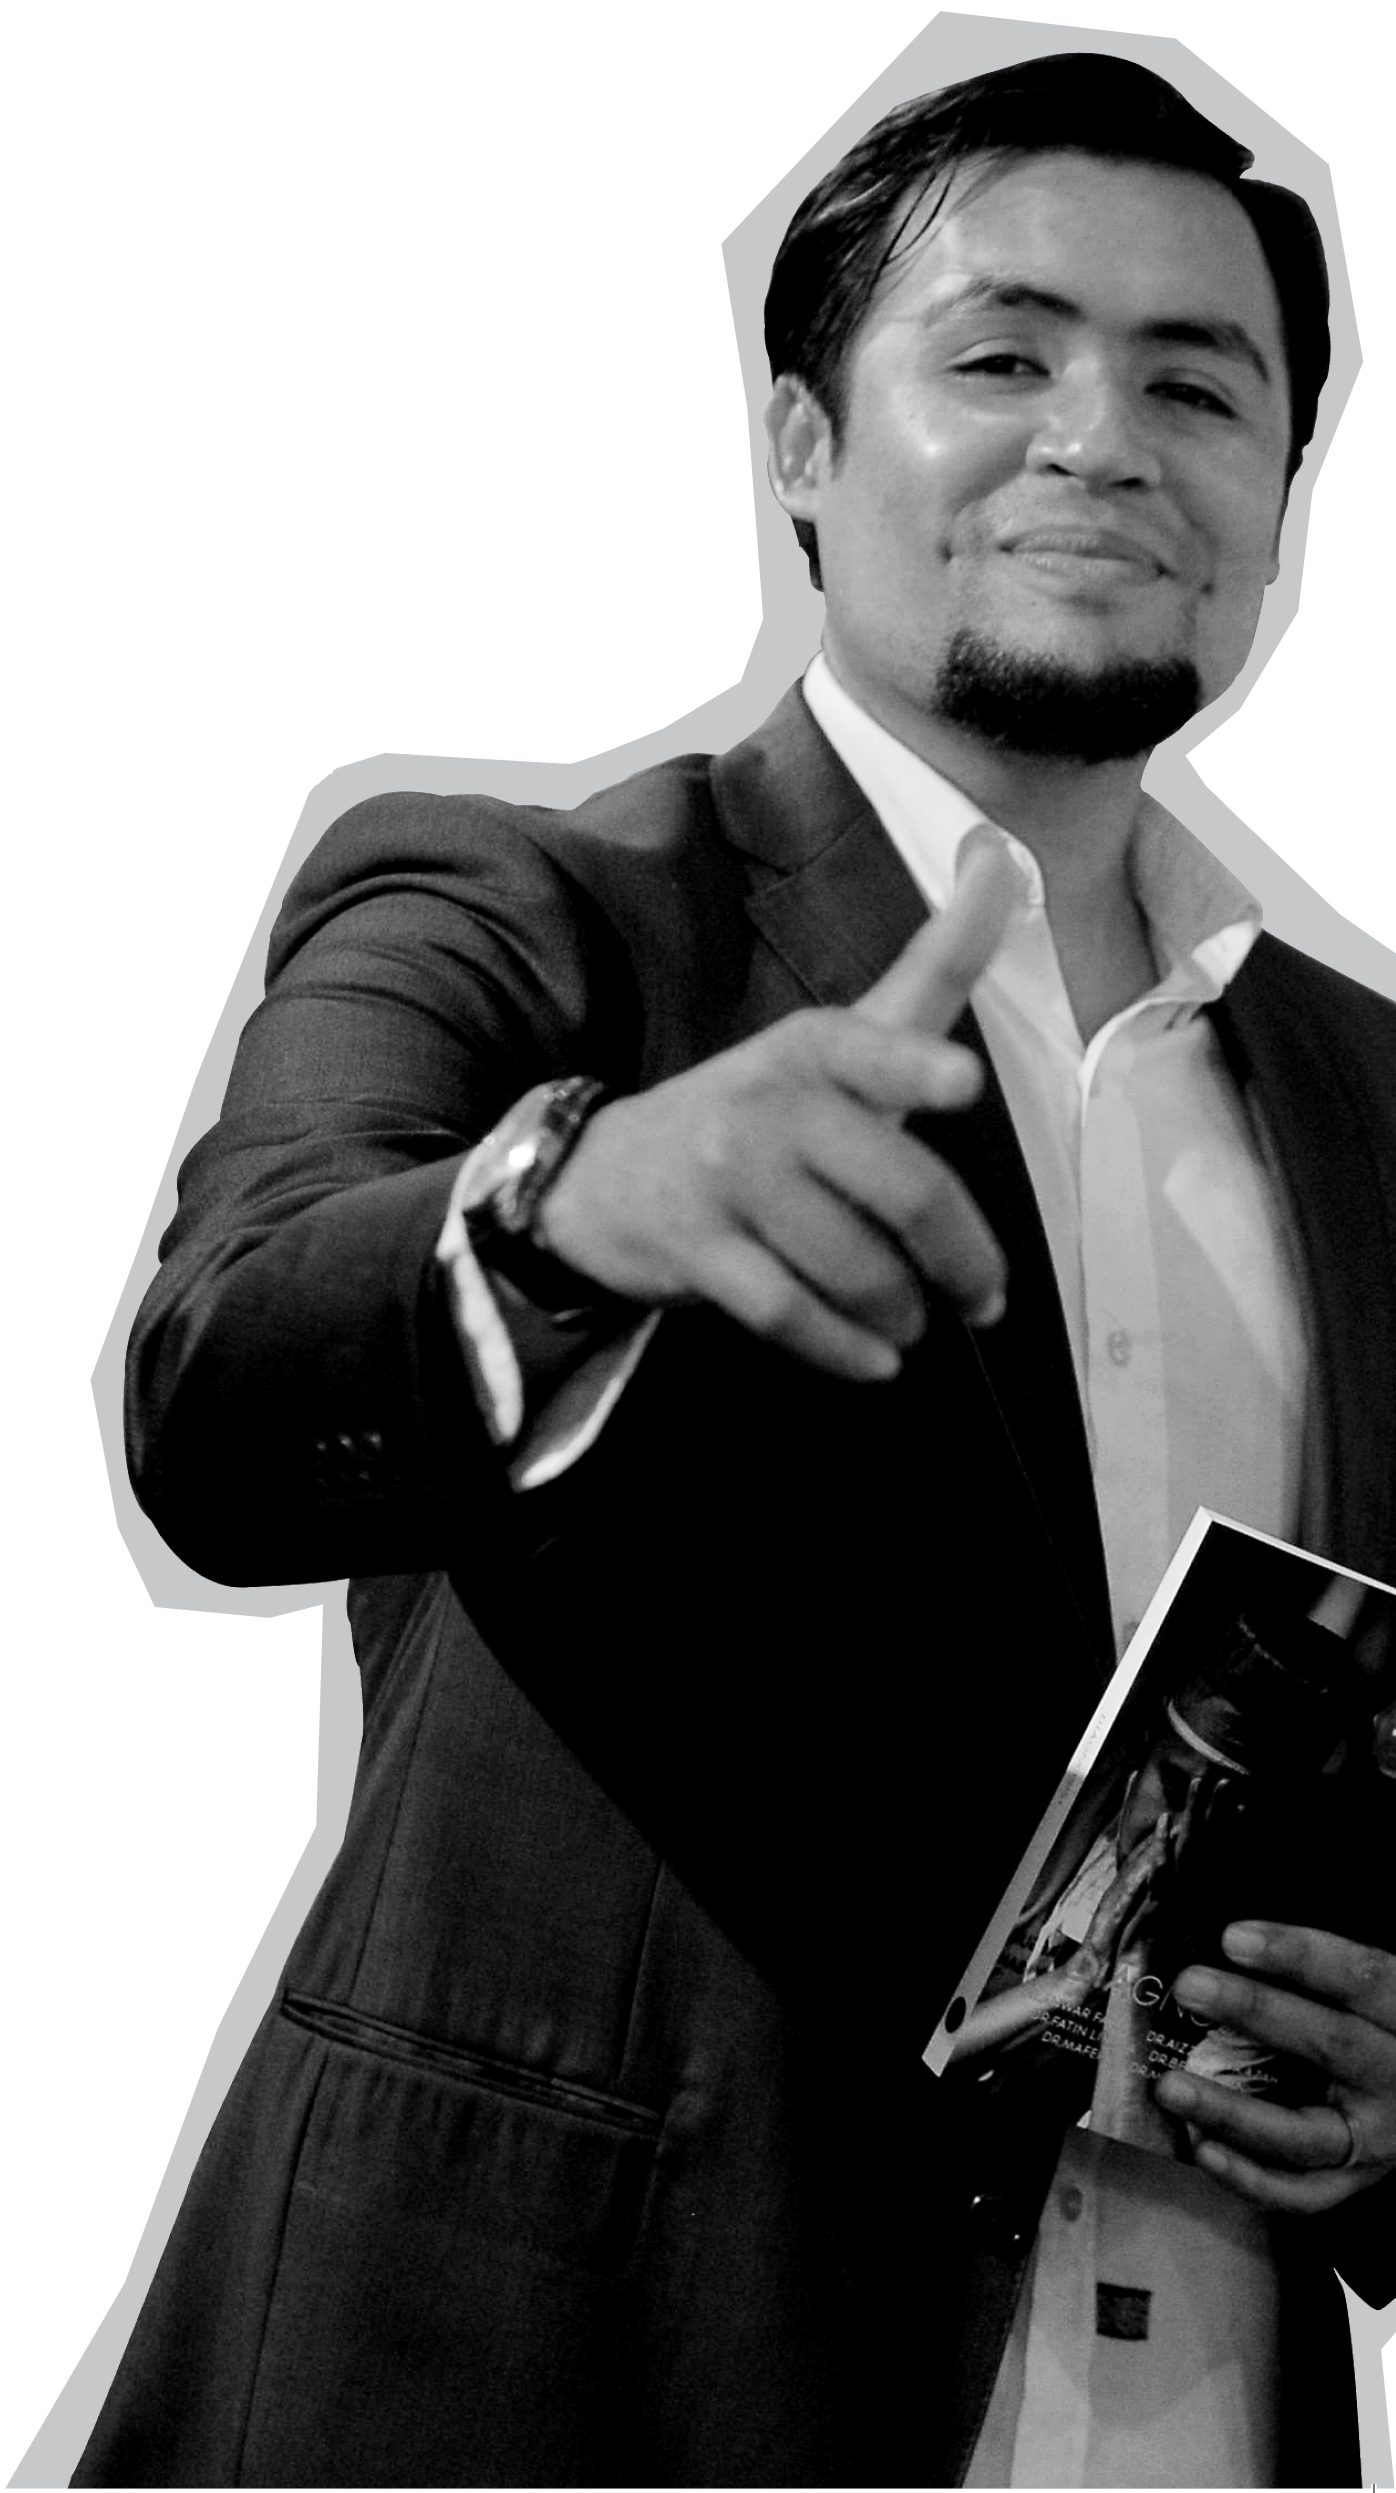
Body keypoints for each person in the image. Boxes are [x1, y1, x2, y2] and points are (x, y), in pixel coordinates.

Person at [76, 50, 1396, 2489]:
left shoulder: (1375, 1101)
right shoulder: (520, 908)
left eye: (1193, 386)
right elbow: (223, 1376)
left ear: (1276, 499)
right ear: (799, 444)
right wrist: (570, 1202)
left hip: (1208, 2415)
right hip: (572, 2391)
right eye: (998, 355)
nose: (1097, 439)